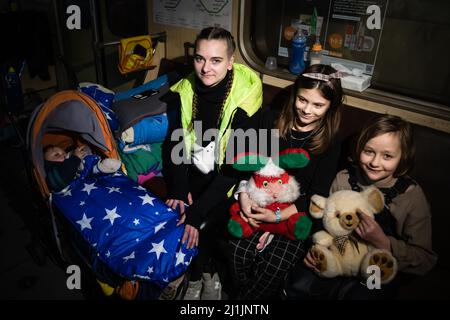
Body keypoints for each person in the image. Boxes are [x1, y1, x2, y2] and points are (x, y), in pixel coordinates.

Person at [288, 114, 438, 299]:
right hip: (337, 254)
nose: (375, 162)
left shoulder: (411, 196)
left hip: (375, 266)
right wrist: (317, 248)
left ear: (403, 157)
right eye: (369, 151)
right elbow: (324, 221)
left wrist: (383, 242)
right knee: (300, 286)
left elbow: (424, 259)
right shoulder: (343, 178)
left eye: (387, 156)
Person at [162, 26, 263, 300]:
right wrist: (179, 188)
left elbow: (235, 169)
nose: (206, 68)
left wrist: (198, 211)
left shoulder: (246, 100)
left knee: (201, 221)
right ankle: (197, 275)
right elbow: (175, 140)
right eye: (199, 58)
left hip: (232, 179)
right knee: (176, 210)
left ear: (230, 63)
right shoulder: (187, 89)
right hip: (198, 168)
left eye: (216, 60)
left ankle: (204, 276)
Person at [229, 64, 344, 299]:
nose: (307, 110)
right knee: (237, 249)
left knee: (275, 263)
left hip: (296, 212)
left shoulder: (330, 144)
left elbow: (317, 194)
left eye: (318, 105)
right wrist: (244, 196)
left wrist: (277, 217)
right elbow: (248, 164)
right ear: (295, 94)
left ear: (331, 106)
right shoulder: (269, 120)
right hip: (258, 197)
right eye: (303, 100)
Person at [44, 144, 121, 192]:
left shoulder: (70, 161)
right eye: (56, 155)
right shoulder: (52, 170)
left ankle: (100, 169)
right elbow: (62, 177)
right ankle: (98, 169)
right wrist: (75, 158)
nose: (63, 155)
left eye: (64, 153)